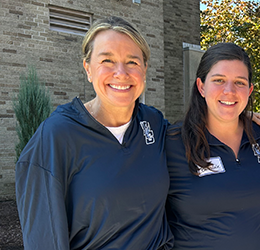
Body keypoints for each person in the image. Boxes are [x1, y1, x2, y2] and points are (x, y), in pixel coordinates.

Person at [17, 16, 174, 250]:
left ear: (144, 68)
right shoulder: (57, 136)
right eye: (107, 60)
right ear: (88, 68)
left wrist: (245, 120)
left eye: (132, 62)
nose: (121, 73)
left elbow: (202, 136)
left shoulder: (153, 122)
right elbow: (43, 238)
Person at [160, 42, 260, 249]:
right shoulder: (173, 142)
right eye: (219, 80)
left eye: (239, 83)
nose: (229, 91)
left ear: (249, 90)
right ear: (201, 86)